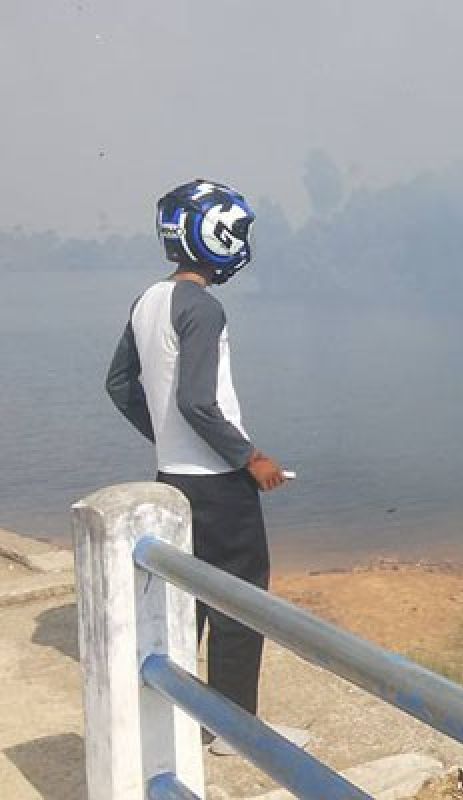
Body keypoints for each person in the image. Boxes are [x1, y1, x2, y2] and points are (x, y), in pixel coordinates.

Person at [105, 179, 292, 749]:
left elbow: (118, 386)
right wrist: (251, 458)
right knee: (239, 603)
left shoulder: (148, 301)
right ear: (214, 236)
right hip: (221, 487)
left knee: (184, 602)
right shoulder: (204, 309)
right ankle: (232, 731)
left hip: (173, 482)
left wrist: (164, 440)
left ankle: (184, 714)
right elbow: (196, 400)